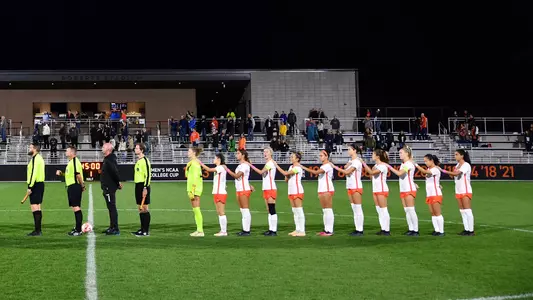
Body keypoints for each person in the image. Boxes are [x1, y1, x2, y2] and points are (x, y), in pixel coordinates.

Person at [298, 150, 335, 236]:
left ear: (326, 156)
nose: (320, 157)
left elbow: (315, 172)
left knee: (328, 210)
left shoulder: (328, 165)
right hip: (322, 189)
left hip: (327, 189)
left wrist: (303, 167)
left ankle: (329, 230)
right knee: (325, 210)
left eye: (321, 155)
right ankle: (326, 229)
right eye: (320, 155)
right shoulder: (324, 165)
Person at [330, 144, 364, 236]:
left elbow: (347, 172)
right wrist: (348, 164)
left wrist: (334, 167)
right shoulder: (351, 161)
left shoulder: (356, 162)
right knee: (354, 208)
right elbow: (346, 167)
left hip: (356, 186)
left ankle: (360, 230)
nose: (348, 151)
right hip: (350, 186)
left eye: (349, 149)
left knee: (358, 208)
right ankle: (357, 229)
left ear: (354, 150)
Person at [439, 149, 474, 236]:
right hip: (458, 190)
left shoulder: (466, 165)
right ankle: (466, 229)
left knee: (467, 210)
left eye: (456, 154)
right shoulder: (457, 165)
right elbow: (452, 175)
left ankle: (471, 230)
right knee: (462, 211)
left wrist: (443, 170)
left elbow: (457, 174)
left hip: (465, 190)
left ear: (462, 156)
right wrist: (451, 172)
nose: (455, 156)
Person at [386, 146, 419, 236]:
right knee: (407, 210)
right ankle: (411, 228)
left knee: (411, 210)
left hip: (408, 189)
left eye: (401, 153)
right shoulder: (404, 164)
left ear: (407, 153)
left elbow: (400, 173)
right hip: (404, 189)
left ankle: (415, 230)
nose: (399, 154)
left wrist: (389, 166)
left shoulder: (408, 164)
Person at [274, 152, 305, 236]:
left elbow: (285, 174)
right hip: (291, 190)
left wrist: (276, 166)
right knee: (294, 211)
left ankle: (302, 231)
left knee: (299, 210)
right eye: (291, 156)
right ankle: (297, 229)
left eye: (292, 157)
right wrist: (286, 175)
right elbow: (286, 179)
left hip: (297, 190)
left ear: (297, 159)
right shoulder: (291, 167)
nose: (291, 158)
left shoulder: (298, 167)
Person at [56, 146, 85, 236]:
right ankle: (77, 227)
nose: (65, 152)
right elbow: (70, 175)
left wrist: (82, 185)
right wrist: (62, 173)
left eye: (67, 150)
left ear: (72, 152)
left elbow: (78, 175)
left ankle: (78, 229)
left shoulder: (75, 162)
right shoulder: (71, 162)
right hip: (71, 186)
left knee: (76, 207)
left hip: (74, 186)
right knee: (74, 207)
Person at [248, 148, 278, 236]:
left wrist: (250, 165)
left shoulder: (270, 163)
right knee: (269, 209)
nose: (265, 153)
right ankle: (271, 229)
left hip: (270, 188)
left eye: (267, 152)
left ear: (271, 153)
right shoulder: (268, 163)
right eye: (264, 152)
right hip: (266, 188)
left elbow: (261, 172)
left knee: (272, 209)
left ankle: (274, 230)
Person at [362, 148, 390, 236]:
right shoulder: (376, 166)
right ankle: (383, 228)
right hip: (376, 189)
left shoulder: (382, 166)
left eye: (373, 154)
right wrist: (372, 170)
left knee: (384, 210)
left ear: (377, 156)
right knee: (379, 210)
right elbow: (371, 176)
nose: (372, 155)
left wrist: (363, 163)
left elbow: (371, 172)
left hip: (381, 189)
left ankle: (387, 230)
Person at [414, 154, 445, 236]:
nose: (425, 163)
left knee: (437, 213)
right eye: (424, 161)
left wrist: (416, 164)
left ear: (431, 160)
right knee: (433, 213)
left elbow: (424, 172)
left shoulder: (435, 169)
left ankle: (441, 231)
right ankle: (436, 230)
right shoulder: (430, 169)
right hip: (430, 194)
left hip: (435, 193)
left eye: (426, 161)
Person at [199, 153, 228, 236]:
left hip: (220, 192)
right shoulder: (220, 167)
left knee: (221, 212)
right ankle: (222, 230)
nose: (213, 159)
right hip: (217, 192)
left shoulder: (221, 167)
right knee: (219, 212)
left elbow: (208, 169)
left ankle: (224, 231)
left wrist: (200, 163)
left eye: (214, 158)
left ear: (218, 159)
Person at [225, 149, 253, 236]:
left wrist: (227, 170)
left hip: (243, 189)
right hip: (240, 189)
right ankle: (244, 229)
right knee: (242, 210)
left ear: (243, 155)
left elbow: (237, 176)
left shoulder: (244, 165)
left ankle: (247, 230)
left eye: (238, 153)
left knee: (245, 209)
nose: (236, 155)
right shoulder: (240, 165)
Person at [100, 143, 122, 235]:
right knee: (110, 208)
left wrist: (118, 182)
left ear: (108, 149)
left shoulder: (110, 160)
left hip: (109, 187)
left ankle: (115, 228)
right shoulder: (108, 159)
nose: (102, 148)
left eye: (104, 147)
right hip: (107, 187)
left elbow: (115, 172)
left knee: (112, 207)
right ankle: (112, 226)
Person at [25, 143, 46, 236]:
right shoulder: (39, 158)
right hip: (39, 184)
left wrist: (30, 187)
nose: (29, 149)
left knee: (34, 207)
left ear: (34, 149)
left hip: (35, 185)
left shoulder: (35, 159)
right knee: (37, 207)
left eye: (30, 147)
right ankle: (38, 230)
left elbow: (34, 173)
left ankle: (37, 231)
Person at [184, 147, 205, 237]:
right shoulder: (192, 163)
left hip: (195, 189)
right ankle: (198, 230)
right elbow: (188, 176)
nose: (187, 153)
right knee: (195, 209)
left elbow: (195, 177)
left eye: (189, 151)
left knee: (196, 209)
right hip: (192, 188)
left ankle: (200, 231)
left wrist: (192, 190)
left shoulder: (195, 163)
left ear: (193, 153)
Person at [132, 143, 151, 237]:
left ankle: (146, 230)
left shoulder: (145, 161)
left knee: (145, 208)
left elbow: (148, 175)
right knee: (140, 208)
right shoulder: (138, 160)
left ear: (142, 150)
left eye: (136, 148)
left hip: (143, 186)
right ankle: (142, 228)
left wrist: (145, 188)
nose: (135, 149)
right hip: (138, 186)